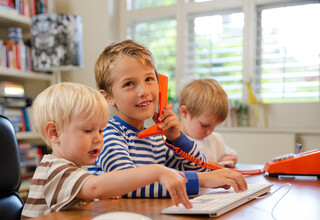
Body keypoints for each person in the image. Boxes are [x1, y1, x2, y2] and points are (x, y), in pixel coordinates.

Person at [90, 39, 247, 199]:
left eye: (149, 79)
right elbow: (127, 186)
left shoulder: (155, 138)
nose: (143, 91)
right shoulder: (108, 134)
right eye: (129, 83)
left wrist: (177, 138)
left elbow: (199, 169)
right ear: (108, 97)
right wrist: (202, 180)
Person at [21, 82, 194, 219]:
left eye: (101, 130)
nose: (98, 138)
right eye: (88, 131)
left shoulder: (72, 168)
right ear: (55, 133)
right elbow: (95, 187)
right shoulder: (54, 170)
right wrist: (156, 171)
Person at [179, 78, 238, 168]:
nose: (210, 132)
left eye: (214, 126)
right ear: (184, 112)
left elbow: (233, 156)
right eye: (205, 125)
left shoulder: (215, 140)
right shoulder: (172, 144)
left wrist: (227, 160)